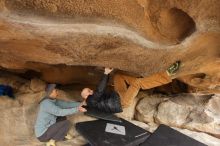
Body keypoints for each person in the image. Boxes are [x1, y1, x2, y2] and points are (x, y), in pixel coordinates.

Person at [113, 61, 181, 107]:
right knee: (137, 83)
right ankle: (166, 75)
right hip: (122, 102)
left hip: (116, 95)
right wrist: (105, 74)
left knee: (118, 76)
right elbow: (101, 91)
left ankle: (143, 81)